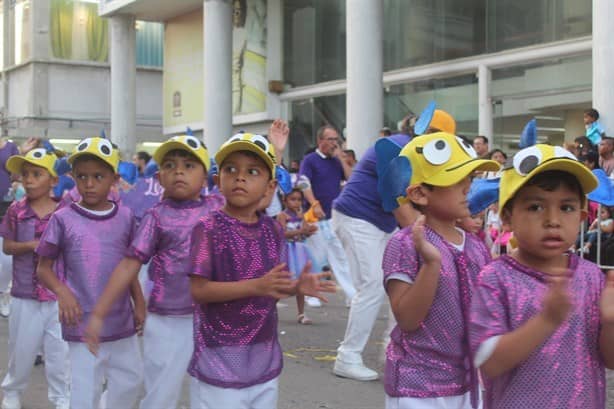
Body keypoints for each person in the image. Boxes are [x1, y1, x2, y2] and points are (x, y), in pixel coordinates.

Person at [187, 133, 335, 409]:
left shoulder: (272, 230)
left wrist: (295, 287)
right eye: (231, 169)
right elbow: (199, 290)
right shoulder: (208, 228)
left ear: (269, 188)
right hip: (218, 362)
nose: (240, 177)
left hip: (262, 361)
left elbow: (272, 288)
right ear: (218, 181)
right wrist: (257, 286)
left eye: (252, 171)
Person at [469, 144, 614, 408]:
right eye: (536, 207)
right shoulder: (495, 278)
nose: (552, 220)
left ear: (582, 217)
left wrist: (611, 322)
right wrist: (547, 320)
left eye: (566, 208)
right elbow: (489, 362)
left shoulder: (592, 276)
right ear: (508, 218)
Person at [84, 135, 223, 409]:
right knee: (160, 392)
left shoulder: (218, 208)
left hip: (212, 316)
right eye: (170, 165)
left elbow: (259, 194)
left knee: (213, 392)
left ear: (206, 176)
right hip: (166, 320)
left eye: (188, 165)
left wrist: (275, 153)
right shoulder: (156, 217)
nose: (179, 171)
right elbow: (129, 264)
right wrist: (100, 311)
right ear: (159, 177)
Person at [381, 132, 499, 408]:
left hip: (469, 383)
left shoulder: (475, 246)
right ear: (420, 193)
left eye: (470, 178)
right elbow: (408, 319)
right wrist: (432, 264)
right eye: (457, 180)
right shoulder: (405, 243)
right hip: (418, 386)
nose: (468, 187)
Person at [35, 137, 145, 409]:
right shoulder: (63, 218)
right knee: (85, 391)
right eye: (82, 176)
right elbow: (43, 268)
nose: (89, 183)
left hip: (120, 321)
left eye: (98, 176)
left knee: (131, 379)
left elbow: (129, 266)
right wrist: (62, 292)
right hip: (80, 321)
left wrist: (139, 302)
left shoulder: (126, 217)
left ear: (114, 179)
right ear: (73, 177)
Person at [0, 148, 69, 409]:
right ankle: (13, 392)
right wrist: (30, 245)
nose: (28, 180)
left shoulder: (66, 211)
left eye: (37, 174)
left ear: (53, 180)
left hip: (57, 295)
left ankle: (62, 397)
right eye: (26, 174)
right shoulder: (16, 211)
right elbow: (7, 247)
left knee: (59, 353)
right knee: (21, 349)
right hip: (24, 294)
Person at [300, 125, 354, 303]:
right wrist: (314, 203)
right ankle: (312, 295)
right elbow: (303, 182)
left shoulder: (336, 160)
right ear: (320, 141)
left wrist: (341, 158)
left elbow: (351, 179)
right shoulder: (310, 160)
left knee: (341, 257)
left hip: (334, 216)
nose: (334, 143)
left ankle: (352, 295)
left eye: (336, 140)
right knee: (317, 257)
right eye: (331, 139)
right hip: (315, 216)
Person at [276, 188, 318, 324]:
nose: (297, 202)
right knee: (283, 281)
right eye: (293, 199)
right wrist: (300, 230)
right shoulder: (282, 216)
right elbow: (282, 234)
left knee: (301, 281)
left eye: (299, 199)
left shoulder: (302, 216)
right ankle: (269, 307)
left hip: (300, 250)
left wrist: (309, 232)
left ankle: (301, 313)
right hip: (287, 251)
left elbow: (304, 232)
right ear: (285, 201)